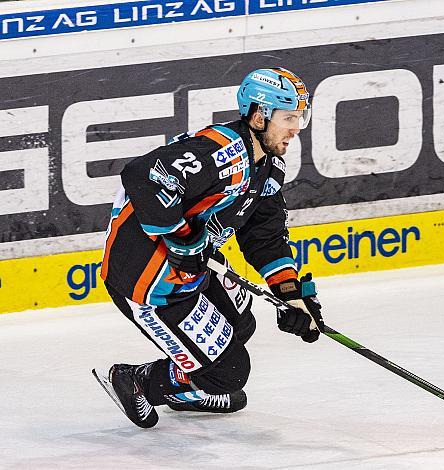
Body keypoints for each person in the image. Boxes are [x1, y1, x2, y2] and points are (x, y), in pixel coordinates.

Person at [93, 67, 324, 428]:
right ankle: (137, 379)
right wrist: (182, 239)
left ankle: (190, 386)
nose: (297, 127)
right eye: (289, 117)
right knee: (229, 375)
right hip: (148, 280)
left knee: (241, 323)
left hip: (190, 269)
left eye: (301, 116)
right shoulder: (221, 153)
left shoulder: (268, 166)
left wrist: (291, 294)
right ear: (260, 115)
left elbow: (264, 235)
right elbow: (143, 175)